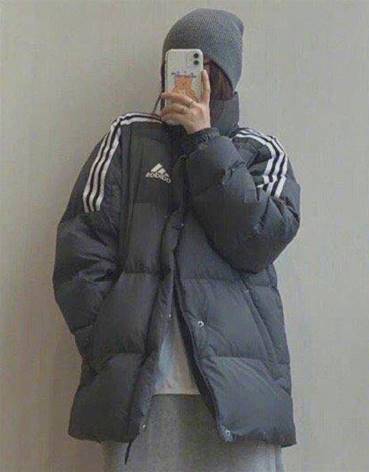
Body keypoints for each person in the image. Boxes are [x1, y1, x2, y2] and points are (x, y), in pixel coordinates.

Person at [52, 8, 300, 471]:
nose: (191, 79)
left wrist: (205, 141)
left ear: (225, 78)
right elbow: (80, 252)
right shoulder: (128, 138)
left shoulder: (259, 152)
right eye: (181, 64)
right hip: (143, 396)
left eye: (206, 68)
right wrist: (109, 344)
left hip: (239, 397)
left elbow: (260, 240)